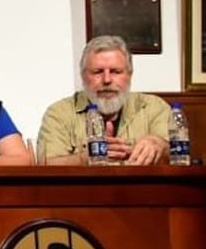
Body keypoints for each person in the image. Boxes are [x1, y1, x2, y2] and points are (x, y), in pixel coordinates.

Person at [37, 35, 170, 165]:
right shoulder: (59, 113)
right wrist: (85, 158)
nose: (107, 80)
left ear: (130, 75)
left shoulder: (154, 107)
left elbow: (178, 156)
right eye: (97, 72)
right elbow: (46, 164)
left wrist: (160, 145)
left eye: (116, 71)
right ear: (83, 76)